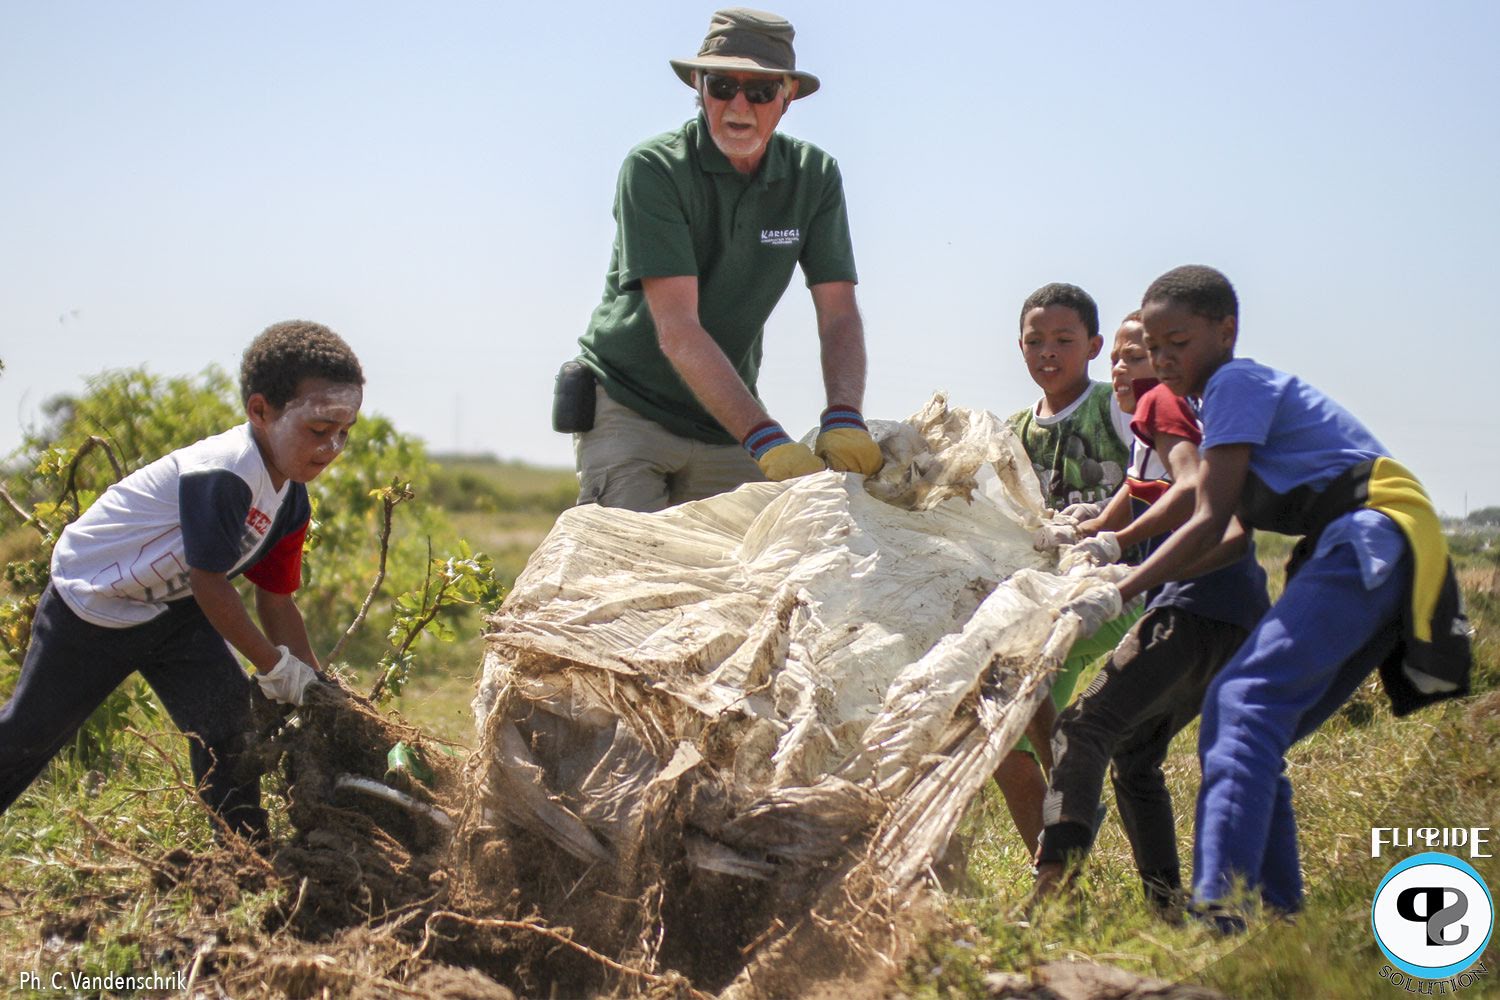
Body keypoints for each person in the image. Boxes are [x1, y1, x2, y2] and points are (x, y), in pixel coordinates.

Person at [1063, 265, 1471, 926]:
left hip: (1369, 537)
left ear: (1227, 331)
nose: (1165, 359)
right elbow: (1191, 496)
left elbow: (1209, 519)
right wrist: (1114, 541)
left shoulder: (1234, 383)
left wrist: (1123, 589)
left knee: (1243, 704)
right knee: (1257, 725)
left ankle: (1223, 915)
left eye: (1180, 343)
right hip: (1374, 545)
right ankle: (1279, 920)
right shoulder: (1213, 399)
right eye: (1155, 347)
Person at [0, 321, 364, 840]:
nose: (332, 447)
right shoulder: (226, 473)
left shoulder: (291, 502)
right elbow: (210, 583)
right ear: (260, 411)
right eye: (318, 430)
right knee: (32, 734)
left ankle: (243, 853)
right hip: (95, 600)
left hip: (171, 611)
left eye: (343, 433)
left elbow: (276, 601)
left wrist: (315, 686)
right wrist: (272, 666)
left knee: (228, 728)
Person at [563, 7, 880, 513]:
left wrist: (844, 416)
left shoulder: (813, 176)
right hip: (629, 407)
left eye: (759, 91)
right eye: (722, 86)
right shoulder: (655, 168)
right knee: (628, 574)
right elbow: (678, 328)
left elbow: (838, 312)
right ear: (697, 83)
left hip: (725, 419)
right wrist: (765, 440)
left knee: (745, 576)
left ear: (787, 95)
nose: (739, 105)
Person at [1034, 313, 1270, 913]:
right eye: (1117, 356)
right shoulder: (1154, 423)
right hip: (1231, 613)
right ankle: (1166, 907)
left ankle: (1055, 886)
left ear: (1167, 365)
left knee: (1083, 726)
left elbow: (1201, 500)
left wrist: (1124, 576)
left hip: (1198, 606)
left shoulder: (1163, 404)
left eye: (1136, 356)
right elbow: (1143, 488)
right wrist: (1099, 531)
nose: (1122, 368)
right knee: (1135, 757)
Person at [994, 283, 1140, 852]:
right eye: (1035, 341)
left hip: (1114, 589)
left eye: (1064, 340)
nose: (1048, 353)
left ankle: (1057, 864)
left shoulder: (1115, 407)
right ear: (1020, 348)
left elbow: (1153, 471)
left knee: (1011, 725)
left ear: (1094, 345)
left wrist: (1100, 527)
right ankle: (1060, 850)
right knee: (1015, 739)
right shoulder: (1015, 429)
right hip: (1042, 596)